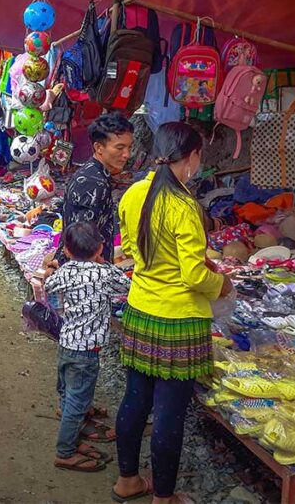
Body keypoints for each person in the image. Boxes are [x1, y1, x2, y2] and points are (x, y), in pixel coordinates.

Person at [112, 122, 231, 504]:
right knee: (168, 413)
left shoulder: (133, 193)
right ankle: (163, 498)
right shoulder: (185, 207)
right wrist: (224, 285)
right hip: (180, 321)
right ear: (193, 157)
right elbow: (195, 275)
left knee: (135, 399)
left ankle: (127, 480)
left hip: (140, 310)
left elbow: (128, 249)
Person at [45, 222, 131, 473]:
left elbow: (49, 285)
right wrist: (102, 263)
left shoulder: (66, 271)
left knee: (67, 393)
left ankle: (75, 434)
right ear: (101, 247)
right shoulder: (105, 274)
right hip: (86, 352)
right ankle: (65, 451)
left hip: (66, 343)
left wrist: (53, 268)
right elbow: (127, 287)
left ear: (68, 251)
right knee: (77, 401)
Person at [54, 113, 134, 266]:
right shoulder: (94, 183)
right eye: (120, 148)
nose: (127, 155)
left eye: (129, 147)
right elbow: (80, 240)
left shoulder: (93, 173)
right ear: (99, 147)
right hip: (88, 274)